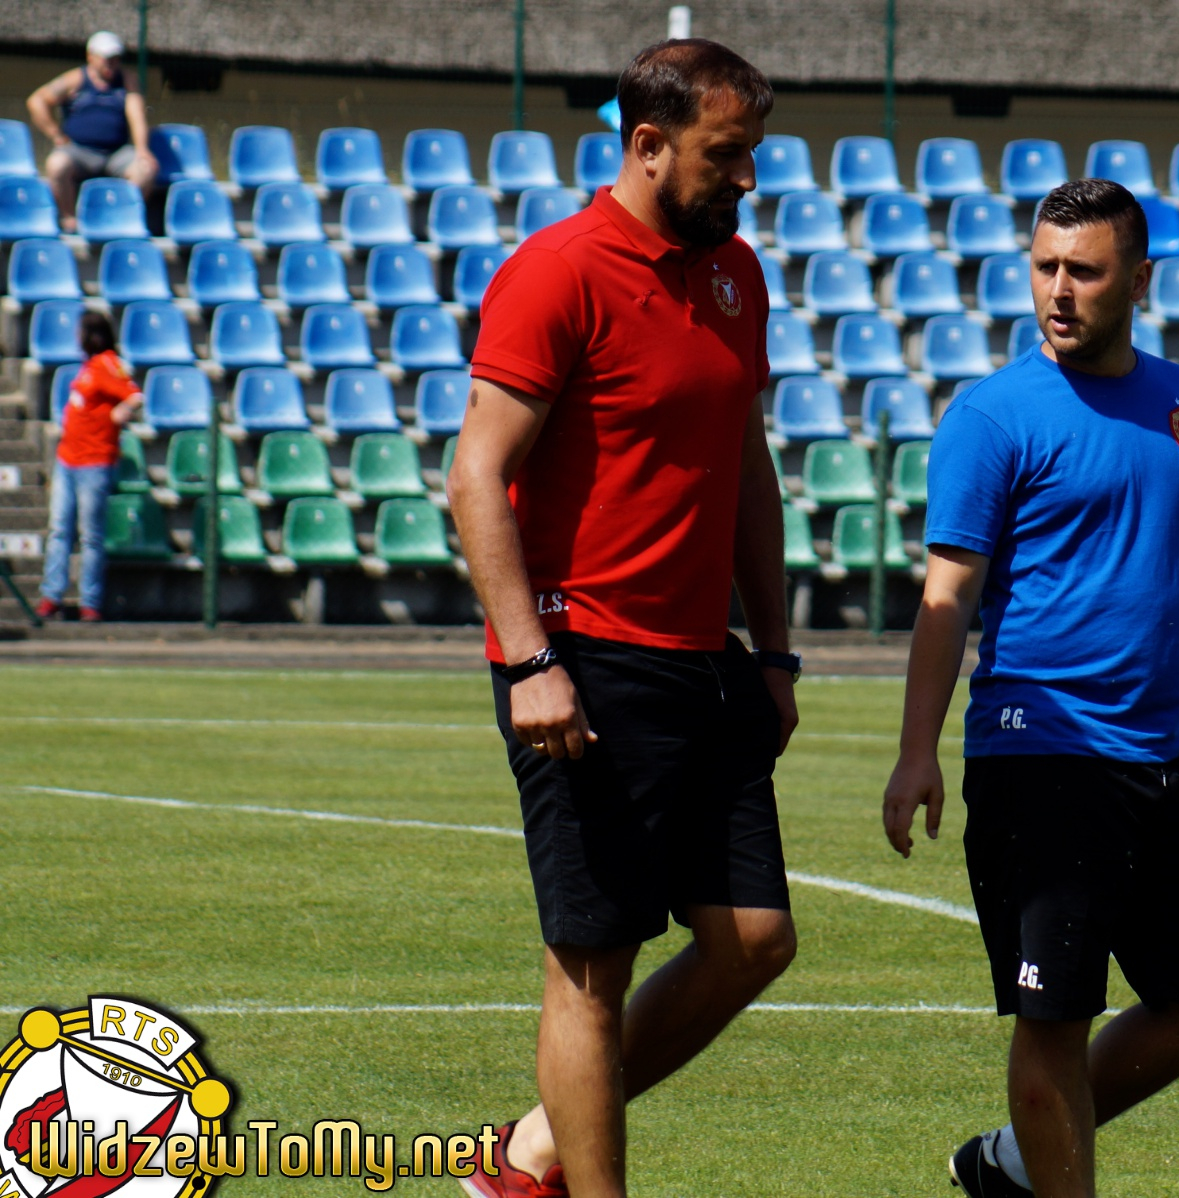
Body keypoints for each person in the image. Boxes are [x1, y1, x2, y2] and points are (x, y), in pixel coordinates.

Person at [882, 179, 1179, 1198]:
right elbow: (948, 593)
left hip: (1164, 749)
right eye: (1045, 268)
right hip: (1041, 752)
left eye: (1084, 270)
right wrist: (916, 750)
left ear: (1140, 280)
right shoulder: (991, 415)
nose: (1059, 291)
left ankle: (1013, 1159)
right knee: (1054, 1020)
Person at [447, 39, 799, 1198]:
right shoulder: (557, 271)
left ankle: (527, 1155)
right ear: (648, 145)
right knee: (592, 971)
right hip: (585, 663)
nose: (747, 177)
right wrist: (529, 661)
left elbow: (747, 468)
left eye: (753, 151)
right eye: (726, 153)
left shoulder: (737, 274)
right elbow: (475, 475)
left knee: (753, 939)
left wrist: (775, 650)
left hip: (706, 663)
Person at [37, 313, 142, 623]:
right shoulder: (90, 366)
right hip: (68, 458)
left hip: (94, 462)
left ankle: (90, 602)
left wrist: (122, 411)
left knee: (90, 536)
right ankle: (52, 596)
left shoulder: (108, 363)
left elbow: (134, 395)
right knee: (59, 530)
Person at [25, 32, 158, 229]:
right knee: (57, 165)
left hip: (116, 153)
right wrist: (55, 134)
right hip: (79, 151)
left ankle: (119, 220)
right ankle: (69, 219)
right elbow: (37, 101)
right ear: (91, 57)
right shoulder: (75, 79)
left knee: (146, 170)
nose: (111, 63)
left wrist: (142, 149)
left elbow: (137, 117)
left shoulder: (127, 82)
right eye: (106, 58)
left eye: (115, 58)